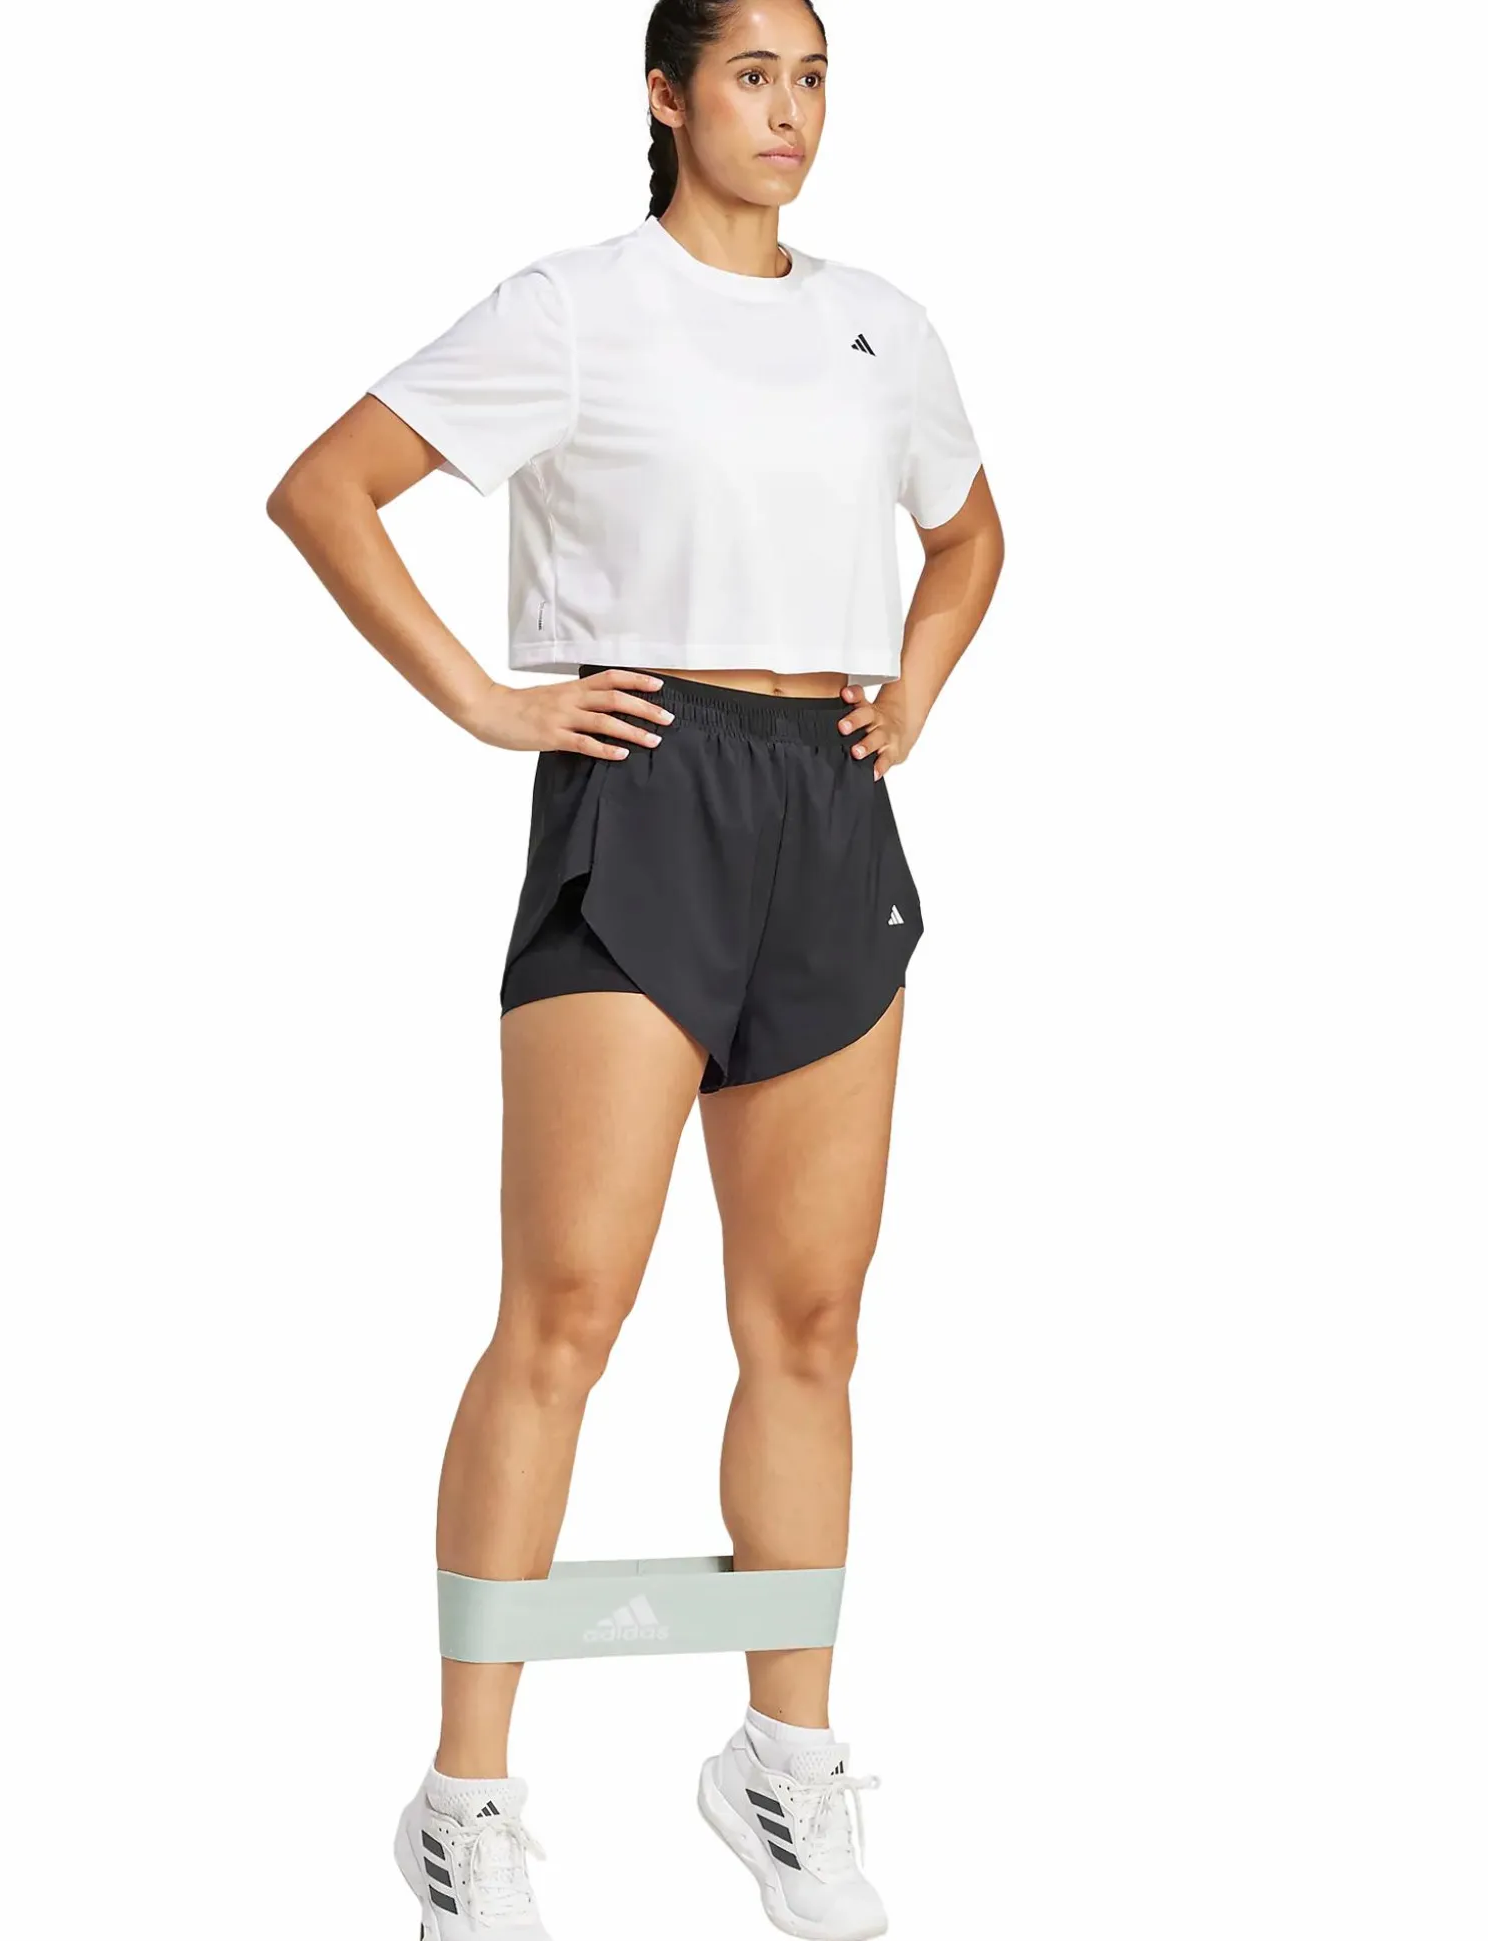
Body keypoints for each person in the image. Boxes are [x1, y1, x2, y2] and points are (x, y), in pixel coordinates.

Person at [266, 2, 1003, 1933]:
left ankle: (784, 1768)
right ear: (668, 96)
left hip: (829, 805)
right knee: (568, 1308)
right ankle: (465, 1803)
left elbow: (970, 536)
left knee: (813, 1323)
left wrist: (916, 688)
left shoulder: (884, 323)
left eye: (816, 78)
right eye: (754, 75)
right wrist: (489, 701)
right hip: (647, 782)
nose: (791, 111)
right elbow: (327, 487)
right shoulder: (577, 306)